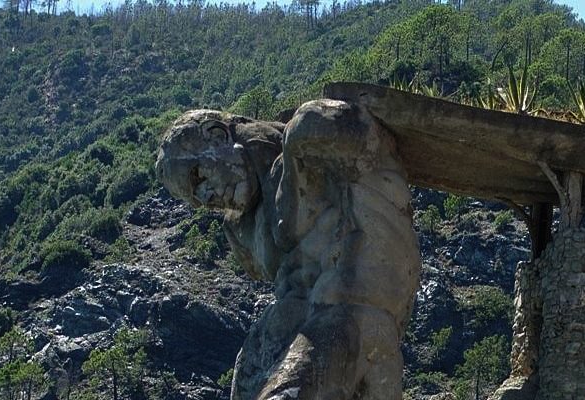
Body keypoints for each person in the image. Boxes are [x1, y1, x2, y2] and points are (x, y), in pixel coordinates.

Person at [156, 99, 420, 400]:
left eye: (199, 176)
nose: (206, 197)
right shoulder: (243, 229)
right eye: (195, 198)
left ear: (218, 135)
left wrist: (301, 138)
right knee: (245, 383)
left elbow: (351, 133)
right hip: (298, 323)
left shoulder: (311, 138)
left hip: (352, 313)